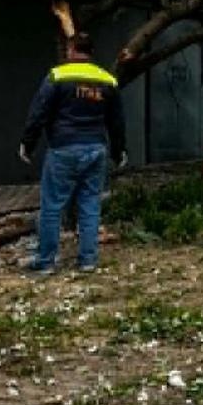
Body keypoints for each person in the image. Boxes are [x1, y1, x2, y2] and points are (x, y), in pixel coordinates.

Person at [20, 33, 126, 274]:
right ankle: (88, 260)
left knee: (52, 206)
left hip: (63, 149)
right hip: (96, 149)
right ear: (91, 51)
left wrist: (28, 143)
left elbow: (39, 112)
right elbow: (116, 121)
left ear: (71, 50)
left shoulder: (57, 76)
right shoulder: (107, 80)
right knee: (90, 204)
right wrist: (119, 151)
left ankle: (46, 262)